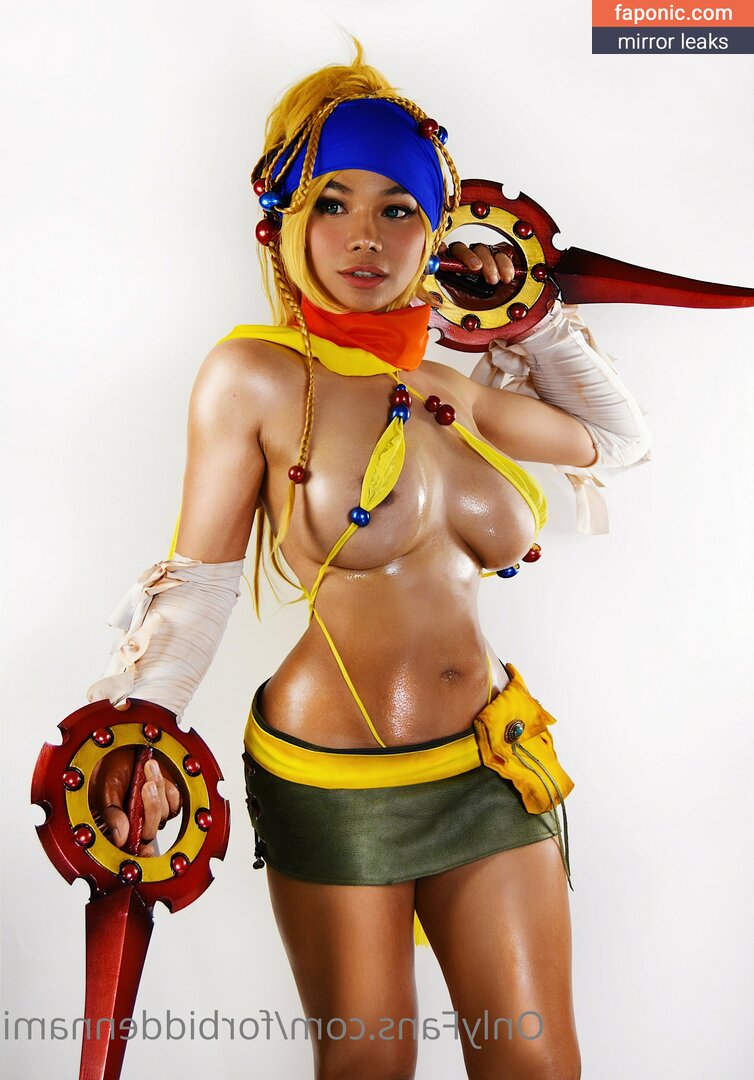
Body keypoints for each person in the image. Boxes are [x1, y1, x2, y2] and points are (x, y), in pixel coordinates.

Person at [86, 40, 651, 1080]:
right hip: (333, 776)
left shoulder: (454, 387)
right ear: (285, 222)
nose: (364, 235)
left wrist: (530, 314)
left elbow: (616, 442)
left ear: (434, 233)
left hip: (492, 764)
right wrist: (138, 734)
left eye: (398, 209)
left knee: (540, 1069)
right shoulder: (254, 376)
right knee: (367, 1073)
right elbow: (200, 583)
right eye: (333, 202)